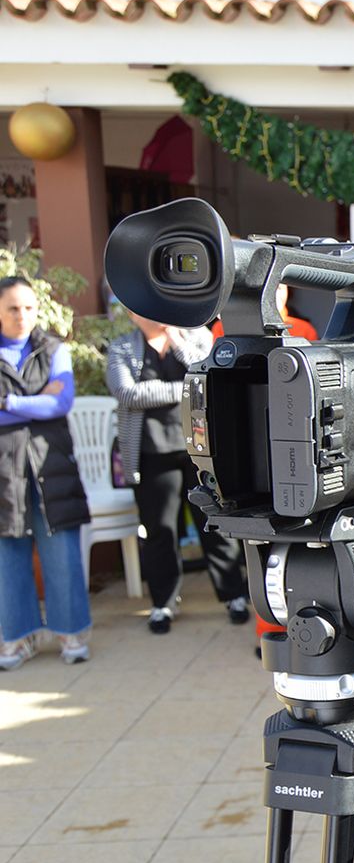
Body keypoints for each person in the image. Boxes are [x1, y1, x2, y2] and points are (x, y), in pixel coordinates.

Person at [108, 311, 251, 634]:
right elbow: (128, 393)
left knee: (213, 524)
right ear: (132, 313)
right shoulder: (122, 347)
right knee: (160, 530)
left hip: (200, 451)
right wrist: (183, 388)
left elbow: (208, 377)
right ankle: (163, 603)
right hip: (151, 452)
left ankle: (234, 595)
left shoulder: (196, 335)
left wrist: (177, 342)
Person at [0, 277, 93, 668]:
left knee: (63, 552)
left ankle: (70, 633)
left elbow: (62, 403)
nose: (22, 315)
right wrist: (37, 400)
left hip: (51, 465)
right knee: (8, 553)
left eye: (29, 307)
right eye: (12, 308)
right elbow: (47, 402)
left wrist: (7, 402)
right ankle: (16, 638)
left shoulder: (55, 349)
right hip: (5, 470)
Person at [210, 285, 318, 341]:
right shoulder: (223, 326)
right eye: (270, 288)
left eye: (279, 288)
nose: (275, 295)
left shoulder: (304, 329)